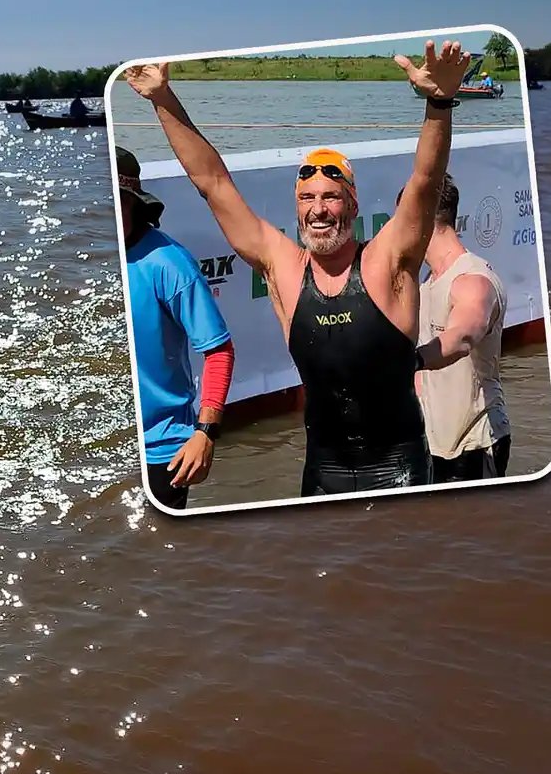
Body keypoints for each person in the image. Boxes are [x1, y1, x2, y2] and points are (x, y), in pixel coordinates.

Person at [123, 39, 474, 497]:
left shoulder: (388, 261)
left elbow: (425, 183)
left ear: (352, 204)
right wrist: (162, 97)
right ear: (297, 207)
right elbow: (212, 184)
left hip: (397, 468)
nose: (319, 209)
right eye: (307, 199)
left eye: (331, 196)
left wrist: (440, 102)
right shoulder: (283, 267)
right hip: (321, 469)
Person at [117, 146, 235, 510]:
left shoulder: (168, 264)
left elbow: (218, 351)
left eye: (117, 201)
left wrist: (205, 433)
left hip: (161, 449)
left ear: (133, 203)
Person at [399, 173, 512, 480]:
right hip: (434, 446)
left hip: (475, 445)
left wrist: (411, 361)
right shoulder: (427, 280)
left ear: (417, 218)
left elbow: (463, 335)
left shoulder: (473, 281)